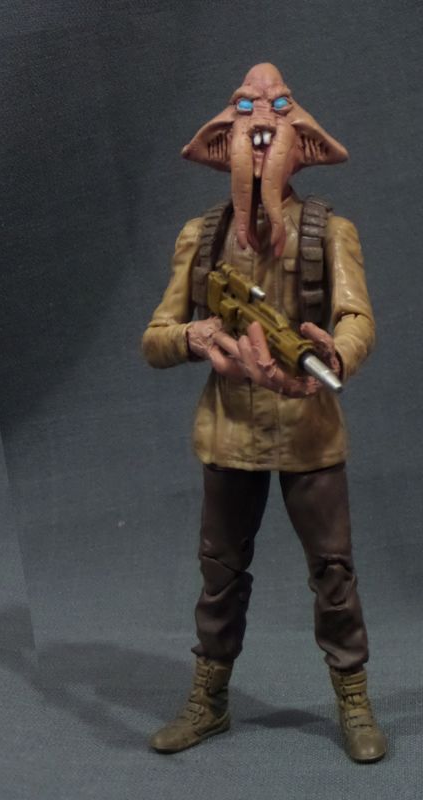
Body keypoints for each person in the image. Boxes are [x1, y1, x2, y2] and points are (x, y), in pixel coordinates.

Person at [142, 63, 386, 763]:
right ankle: (209, 699)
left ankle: (353, 698)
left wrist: (333, 354)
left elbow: (357, 319)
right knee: (220, 574)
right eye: (246, 111)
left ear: (300, 144)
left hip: (309, 432)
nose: (260, 127)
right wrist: (196, 337)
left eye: (275, 112)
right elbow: (155, 337)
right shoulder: (200, 238)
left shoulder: (330, 233)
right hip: (230, 434)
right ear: (223, 142)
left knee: (333, 572)